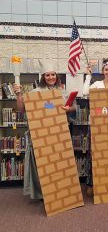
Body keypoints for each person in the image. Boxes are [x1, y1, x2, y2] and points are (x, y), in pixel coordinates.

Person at [12, 60, 75, 200]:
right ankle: (45, 194)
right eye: (47, 75)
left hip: (60, 134)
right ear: (43, 77)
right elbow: (22, 109)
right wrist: (19, 94)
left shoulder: (63, 91)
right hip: (43, 135)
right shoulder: (36, 92)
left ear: (57, 76)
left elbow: (73, 107)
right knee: (45, 165)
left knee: (60, 163)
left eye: (53, 74)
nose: (51, 77)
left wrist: (69, 108)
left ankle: (61, 191)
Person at [82, 58, 108, 197]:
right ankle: (91, 183)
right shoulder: (97, 85)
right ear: (103, 71)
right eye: (106, 69)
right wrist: (88, 77)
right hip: (96, 126)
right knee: (94, 155)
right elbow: (85, 92)